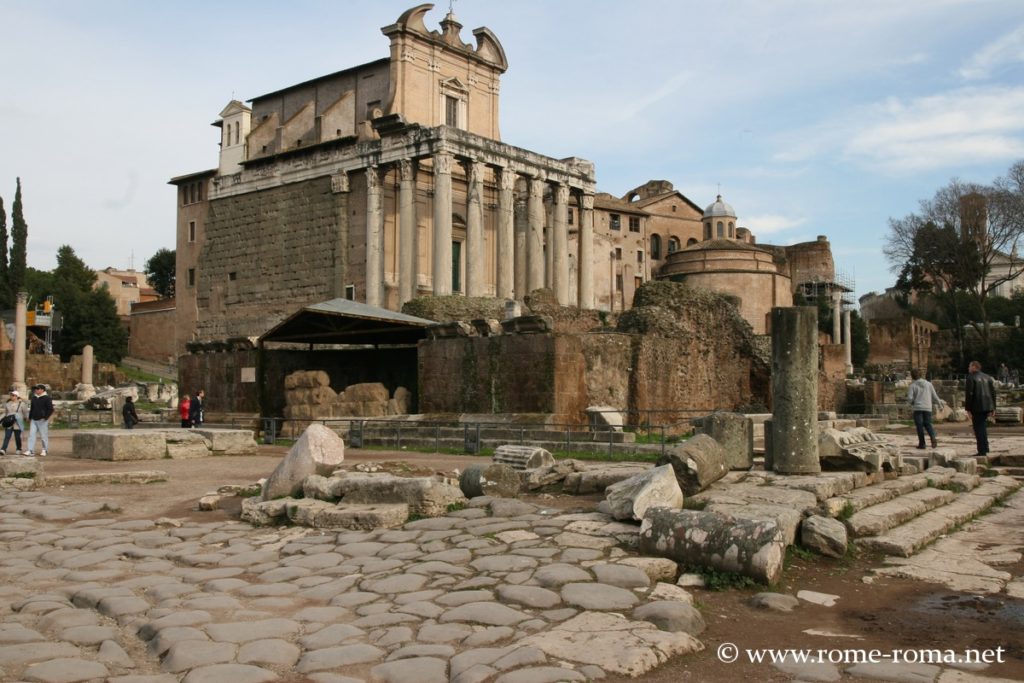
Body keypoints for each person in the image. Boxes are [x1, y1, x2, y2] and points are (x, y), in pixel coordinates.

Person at [965, 360, 997, 457]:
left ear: (974, 367)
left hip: (977, 406)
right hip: (987, 406)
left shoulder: (971, 377)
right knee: (982, 428)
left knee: (978, 429)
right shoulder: (988, 377)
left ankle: (981, 450)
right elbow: (993, 393)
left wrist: (968, 409)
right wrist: (993, 407)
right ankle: (985, 447)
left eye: (970, 366)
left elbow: (970, 394)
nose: (968, 368)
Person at [907, 369, 944, 449]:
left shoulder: (912, 385)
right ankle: (933, 437)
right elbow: (935, 396)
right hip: (927, 407)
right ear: (921, 375)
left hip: (918, 408)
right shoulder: (929, 384)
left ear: (912, 376)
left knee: (919, 426)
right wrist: (940, 404)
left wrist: (912, 403)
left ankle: (922, 444)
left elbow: (910, 398)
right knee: (928, 424)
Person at [26, 384, 54, 457]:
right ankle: (30, 450)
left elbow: (51, 409)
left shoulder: (47, 398)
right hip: (33, 419)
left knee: (43, 436)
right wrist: (29, 418)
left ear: (42, 390)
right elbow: (32, 409)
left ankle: (44, 449)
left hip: (42, 420)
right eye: (35, 389)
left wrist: (45, 417)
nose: (36, 390)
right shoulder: (34, 398)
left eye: (38, 389)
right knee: (31, 435)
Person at [0, 390, 29, 455]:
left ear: (17, 396)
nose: (12, 396)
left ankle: (18, 449)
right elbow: (5, 413)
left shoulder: (22, 404)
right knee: (7, 436)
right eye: (11, 395)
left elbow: (25, 412)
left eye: (13, 395)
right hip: (9, 422)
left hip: (17, 423)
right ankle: (3, 449)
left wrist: (26, 419)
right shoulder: (8, 404)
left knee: (17, 437)